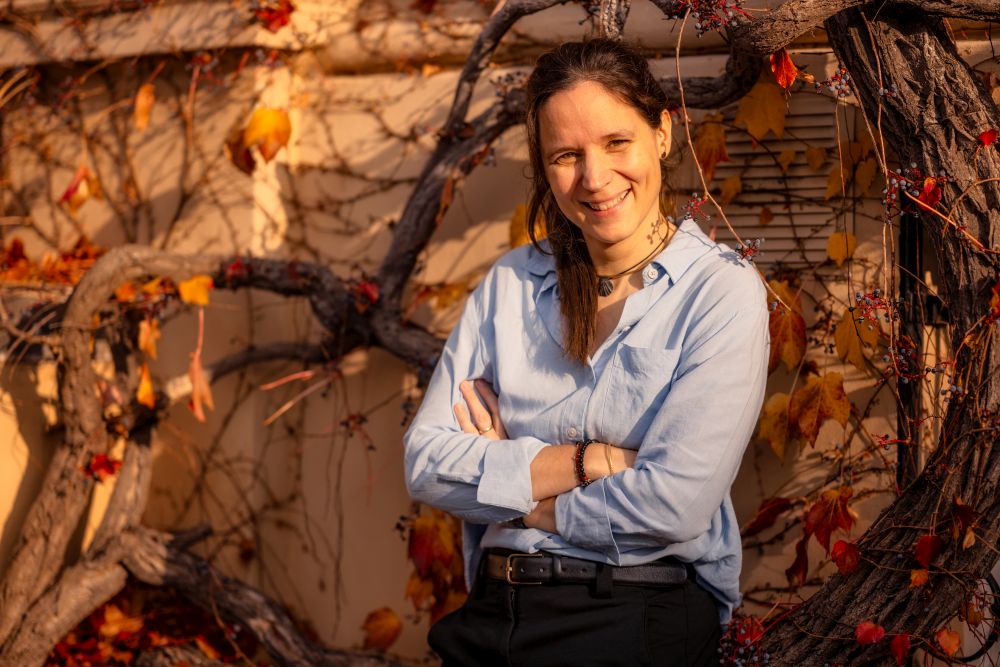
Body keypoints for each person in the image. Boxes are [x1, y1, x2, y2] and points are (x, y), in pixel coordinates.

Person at [403, 38, 768, 666]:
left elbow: (673, 506)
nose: (594, 179)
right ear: (545, 167)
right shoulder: (511, 283)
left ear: (662, 134)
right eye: (566, 155)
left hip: (631, 614)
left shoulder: (719, 292)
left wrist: (518, 495)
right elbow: (427, 463)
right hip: (490, 617)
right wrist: (589, 461)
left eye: (616, 142)